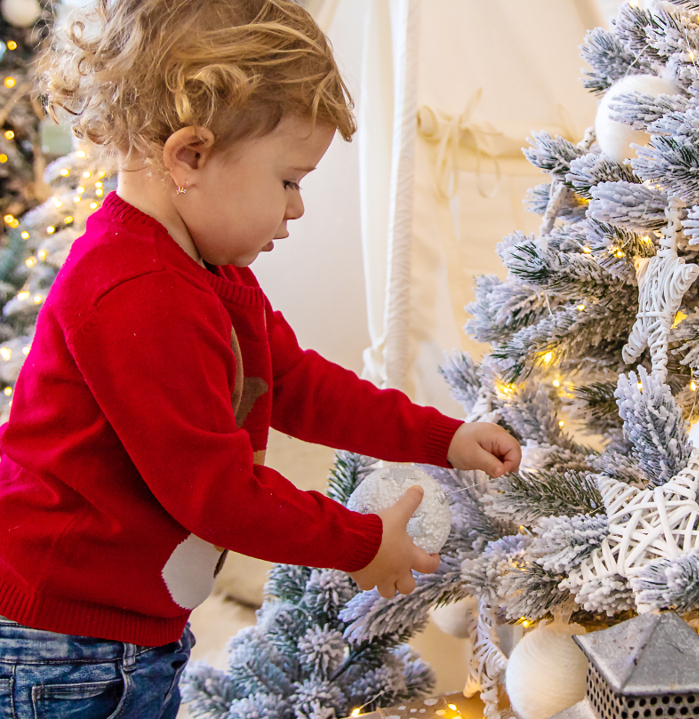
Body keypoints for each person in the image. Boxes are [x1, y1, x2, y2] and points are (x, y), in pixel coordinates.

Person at [0, 1, 522, 716]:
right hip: (64, 642)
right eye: (289, 180)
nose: (299, 207)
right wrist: (362, 542)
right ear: (190, 157)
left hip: (123, 628)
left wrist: (442, 437)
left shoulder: (212, 274)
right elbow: (220, 494)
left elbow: (301, 384)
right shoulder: (138, 293)